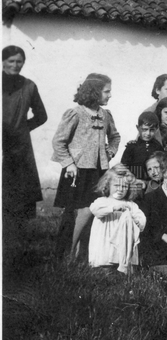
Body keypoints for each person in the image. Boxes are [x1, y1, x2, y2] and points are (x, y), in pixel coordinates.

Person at [52, 73, 120, 259]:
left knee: (92, 210)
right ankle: (65, 253)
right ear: (94, 92)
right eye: (107, 91)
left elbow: (115, 137)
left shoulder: (105, 115)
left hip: (98, 171)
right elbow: (59, 142)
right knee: (73, 212)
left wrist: (110, 152)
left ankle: (84, 253)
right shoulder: (76, 113)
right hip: (77, 172)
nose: (110, 95)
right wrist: (69, 164)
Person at [2, 45, 47, 235]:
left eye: (19, 61)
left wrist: (22, 129)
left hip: (19, 146)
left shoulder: (29, 86)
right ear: (3, 62)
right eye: (11, 61)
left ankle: (16, 233)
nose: (15, 65)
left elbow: (41, 115)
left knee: (18, 190)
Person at [87, 164, 147, 273]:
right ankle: (105, 268)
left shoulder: (130, 204)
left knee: (125, 252)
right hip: (106, 236)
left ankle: (125, 267)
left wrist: (138, 221)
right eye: (116, 185)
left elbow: (140, 216)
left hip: (125, 236)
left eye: (124, 186)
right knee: (106, 254)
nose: (120, 189)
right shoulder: (102, 201)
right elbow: (95, 210)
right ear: (107, 185)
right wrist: (113, 208)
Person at [120, 111, 164, 183]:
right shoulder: (131, 147)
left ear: (157, 129)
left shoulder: (158, 147)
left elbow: (163, 167)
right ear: (138, 128)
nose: (148, 133)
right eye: (144, 129)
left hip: (153, 184)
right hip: (135, 183)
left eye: (152, 130)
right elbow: (123, 167)